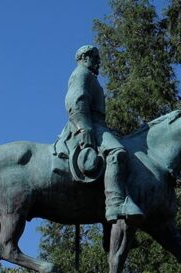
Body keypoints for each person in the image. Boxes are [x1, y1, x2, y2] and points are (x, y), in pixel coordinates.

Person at [62, 44, 143, 222]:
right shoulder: (81, 74)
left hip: (97, 123)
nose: (99, 62)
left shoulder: (89, 76)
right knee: (117, 152)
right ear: (85, 58)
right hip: (88, 124)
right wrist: (83, 128)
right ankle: (115, 203)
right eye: (96, 58)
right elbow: (75, 100)